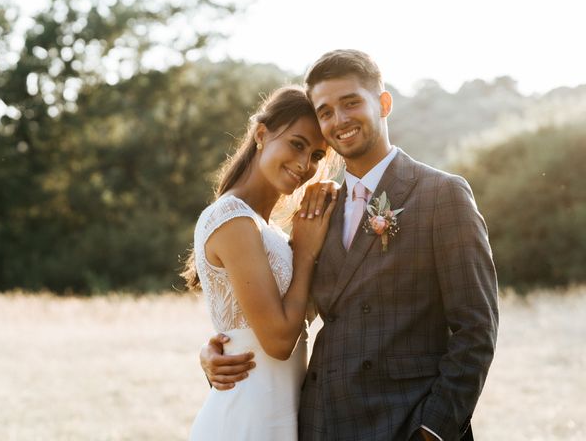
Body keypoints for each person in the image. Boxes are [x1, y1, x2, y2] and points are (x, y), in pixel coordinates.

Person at [200, 49, 499, 441]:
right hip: (321, 423)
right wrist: (216, 350)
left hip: (405, 423)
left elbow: (476, 329)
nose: (339, 120)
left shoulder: (441, 194)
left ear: (384, 103)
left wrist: (432, 430)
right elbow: (284, 310)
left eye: (351, 103)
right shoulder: (320, 210)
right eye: (325, 112)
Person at [182, 85, 339, 440]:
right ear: (261, 134)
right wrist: (306, 253)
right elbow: (279, 341)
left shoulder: (270, 231)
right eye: (297, 144)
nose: (305, 165)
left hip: (282, 414)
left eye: (316, 155)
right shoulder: (232, 218)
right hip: (247, 420)